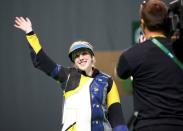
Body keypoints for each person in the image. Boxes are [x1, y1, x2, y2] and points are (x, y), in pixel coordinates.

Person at [14, 16, 128, 131]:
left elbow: (117, 118)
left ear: (93, 57)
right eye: (76, 56)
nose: (81, 58)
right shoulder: (67, 76)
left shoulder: (107, 81)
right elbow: (41, 61)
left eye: (84, 53)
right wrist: (30, 33)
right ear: (74, 61)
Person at [116, 0, 183, 131]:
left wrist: (139, 47)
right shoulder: (180, 50)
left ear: (142, 23)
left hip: (147, 126)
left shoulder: (133, 54)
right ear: (168, 22)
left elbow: (119, 73)